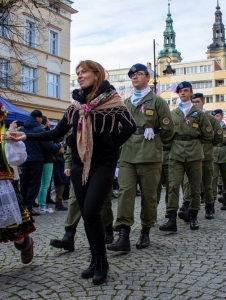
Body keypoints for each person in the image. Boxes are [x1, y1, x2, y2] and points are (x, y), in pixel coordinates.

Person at [4, 60, 136, 285]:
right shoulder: (75, 106)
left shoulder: (113, 102)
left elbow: (130, 126)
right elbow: (56, 133)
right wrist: (26, 136)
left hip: (103, 164)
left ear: (97, 74)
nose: (80, 76)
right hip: (79, 165)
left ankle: (102, 261)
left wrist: (111, 145)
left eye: (84, 72)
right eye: (78, 73)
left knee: (93, 210)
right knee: (86, 214)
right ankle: (95, 260)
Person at [108, 63, 174, 252]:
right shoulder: (126, 103)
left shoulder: (157, 101)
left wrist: (158, 133)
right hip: (128, 154)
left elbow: (169, 129)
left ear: (148, 77)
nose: (134, 77)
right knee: (125, 193)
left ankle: (145, 230)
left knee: (149, 196)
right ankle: (124, 234)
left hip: (150, 155)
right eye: (132, 75)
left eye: (138, 74)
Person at [159, 81, 214, 232]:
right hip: (176, 154)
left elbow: (209, 134)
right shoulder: (172, 114)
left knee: (195, 187)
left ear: (191, 93)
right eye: (180, 91)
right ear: (178, 94)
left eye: (186, 90)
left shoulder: (199, 114)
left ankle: (193, 216)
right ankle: (171, 219)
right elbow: (166, 133)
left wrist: (194, 141)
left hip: (194, 154)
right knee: (173, 186)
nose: (183, 93)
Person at [0, 103, 35, 264]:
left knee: (14, 231)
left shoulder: (4, 136)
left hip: (3, 187)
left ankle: (26, 244)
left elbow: (17, 159)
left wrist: (12, 140)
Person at [179, 93, 223, 220]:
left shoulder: (211, 119)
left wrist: (207, 145)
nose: (194, 104)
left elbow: (218, 137)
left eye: (197, 102)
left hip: (206, 155)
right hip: (191, 154)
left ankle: (209, 207)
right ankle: (186, 205)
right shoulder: (188, 117)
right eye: (193, 102)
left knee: (207, 182)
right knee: (188, 182)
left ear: (203, 102)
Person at [19, 110, 59, 216]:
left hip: (24, 159)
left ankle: (23, 206)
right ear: (38, 118)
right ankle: (29, 206)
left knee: (24, 183)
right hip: (36, 159)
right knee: (34, 183)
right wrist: (58, 146)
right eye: (41, 118)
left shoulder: (22, 129)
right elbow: (48, 146)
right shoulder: (38, 130)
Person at [37, 116, 62, 214]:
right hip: (48, 159)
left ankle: (41, 203)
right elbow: (49, 146)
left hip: (42, 159)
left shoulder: (40, 131)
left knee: (42, 183)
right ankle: (42, 205)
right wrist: (59, 145)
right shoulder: (46, 132)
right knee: (45, 184)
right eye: (48, 121)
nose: (49, 122)